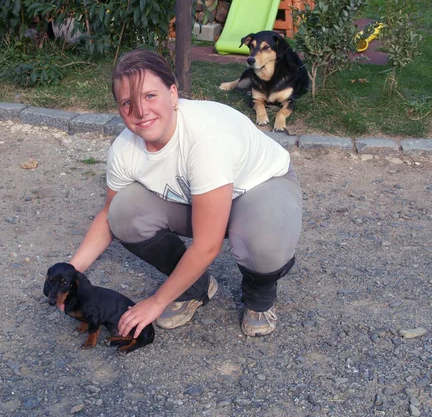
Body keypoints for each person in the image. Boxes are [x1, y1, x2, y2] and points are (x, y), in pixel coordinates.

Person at [64, 48, 302, 338]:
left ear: (173, 94)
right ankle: (194, 287)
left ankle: (259, 297)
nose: (140, 111)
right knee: (123, 212)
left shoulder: (207, 138)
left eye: (150, 96)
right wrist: (68, 273)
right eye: (127, 102)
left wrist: (156, 301)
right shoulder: (124, 150)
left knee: (263, 242)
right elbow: (107, 216)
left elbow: (208, 244)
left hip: (260, 187)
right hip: (201, 200)